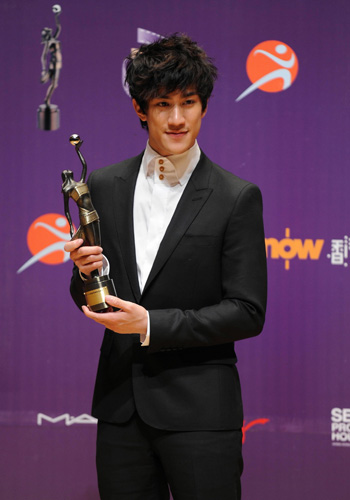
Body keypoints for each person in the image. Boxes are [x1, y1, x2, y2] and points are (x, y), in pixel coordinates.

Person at [64, 34, 267, 500]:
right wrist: (82, 273)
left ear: (205, 106)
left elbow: (247, 311)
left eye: (189, 103)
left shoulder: (237, 196)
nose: (177, 119)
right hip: (121, 411)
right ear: (140, 108)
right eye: (162, 104)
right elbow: (91, 295)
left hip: (200, 413)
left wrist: (151, 324)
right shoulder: (103, 184)